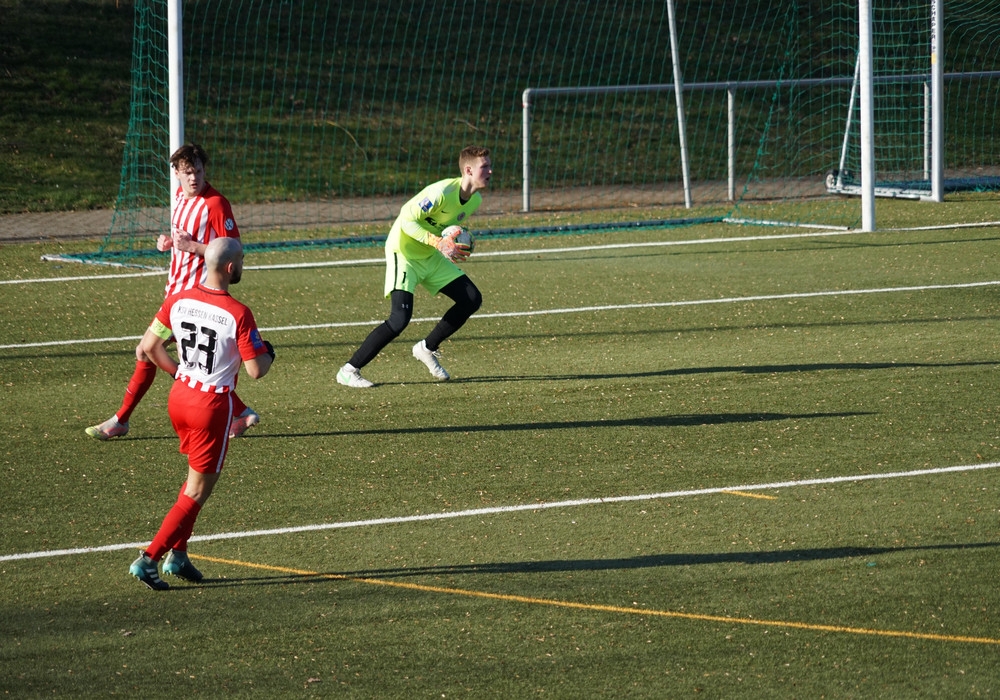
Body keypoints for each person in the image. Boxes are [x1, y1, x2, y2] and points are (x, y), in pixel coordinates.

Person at [86, 143, 261, 440]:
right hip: (175, 293)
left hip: (194, 298)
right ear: (177, 173)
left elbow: (233, 250)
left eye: (198, 171)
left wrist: (192, 246)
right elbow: (185, 240)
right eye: (188, 172)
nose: (194, 178)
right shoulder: (179, 196)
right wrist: (169, 243)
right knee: (158, 354)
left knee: (146, 350)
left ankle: (120, 420)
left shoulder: (216, 204)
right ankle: (240, 412)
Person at [129, 237, 274, 590]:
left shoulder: (178, 300)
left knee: (195, 483)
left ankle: (178, 555)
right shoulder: (238, 313)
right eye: (242, 260)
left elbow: (149, 347)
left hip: (179, 398)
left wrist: (179, 373)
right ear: (231, 267)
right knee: (196, 491)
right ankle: (149, 559)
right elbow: (256, 370)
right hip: (210, 408)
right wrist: (269, 351)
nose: (243, 265)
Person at [336, 145, 492, 388]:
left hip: (430, 254)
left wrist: (453, 241)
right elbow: (406, 221)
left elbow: (442, 226)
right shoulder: (441, 192)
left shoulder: (475, 200)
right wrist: (439, 242)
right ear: (469, 170)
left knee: (471, 298)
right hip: (404, 252)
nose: (490, 171)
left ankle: (426, 348)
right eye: (485, 167)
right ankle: (349, 370)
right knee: (399, 319)